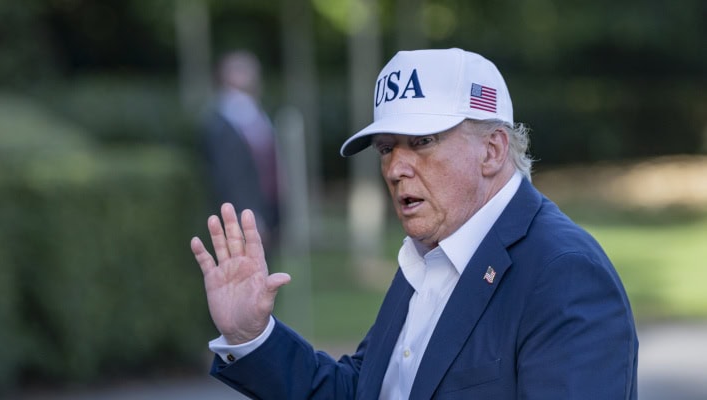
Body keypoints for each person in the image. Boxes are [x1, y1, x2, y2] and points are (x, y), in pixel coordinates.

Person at [190, 48, 638, 399]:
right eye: (386, 148)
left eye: (422, 141)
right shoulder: (431, 252)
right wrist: (253, 336)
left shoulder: (564, 274)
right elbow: (368, 390)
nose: (394, 168)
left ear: (493, 150)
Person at [200, 50, 281, 252]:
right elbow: (230, 173)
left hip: (267, 210)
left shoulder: (253, 113)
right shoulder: (223, 122)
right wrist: (247, 215)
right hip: (246, 217)